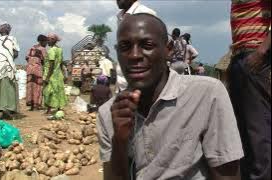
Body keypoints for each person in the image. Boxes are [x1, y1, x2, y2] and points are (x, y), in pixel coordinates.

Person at [97, 13, 244, 180]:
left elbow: (227, 174)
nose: (134, 55)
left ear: (168, 50)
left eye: (147, 45)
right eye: (125, 47)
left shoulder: (206, 94)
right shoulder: (108, 113)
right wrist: (120, 140)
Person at [228, 0, 271, 179]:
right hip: (241, 56)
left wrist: (262, 51)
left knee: (257, 127)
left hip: (256, 56)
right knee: (242, 129)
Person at [0, 23, 20, 119]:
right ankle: (8, 109)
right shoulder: (12, 39)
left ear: (0, 31)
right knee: (8, 87)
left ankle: (2, 109)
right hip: (8, 66)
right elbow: (16, 53)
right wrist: (9, 58)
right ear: (9, 31)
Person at [43, 33, 67, 114]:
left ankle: (49, 109)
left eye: (48, 40)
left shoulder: (51, 50)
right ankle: (59, 108)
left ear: (53, 40)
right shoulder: (60, 49)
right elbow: (61, 63)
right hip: (58, 74)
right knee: (58, 90)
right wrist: (63, 73)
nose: (47, 42)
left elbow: (51, 65)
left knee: (49, 91)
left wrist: (47, 77)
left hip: (52, 74)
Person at [25, 34, 47, 111]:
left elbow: (26, 57)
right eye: (46, 42)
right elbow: (45, 60)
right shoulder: (42, 49)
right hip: (37, 69)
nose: (46, 44)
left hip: (29, 69)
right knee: (37, 87)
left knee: (30, 86)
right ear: (42, 41)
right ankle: (36, 105)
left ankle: (31, 105)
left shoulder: (32, 48)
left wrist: (31, 63)